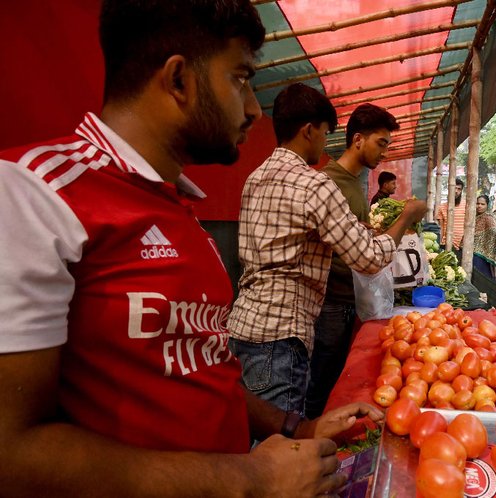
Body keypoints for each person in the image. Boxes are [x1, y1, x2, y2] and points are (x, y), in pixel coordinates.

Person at [0, 3, 387, 497]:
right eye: (240, 78)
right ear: (179, 79)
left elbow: (202, 366)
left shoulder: (178, 205)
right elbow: (11, 455)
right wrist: (254, 477)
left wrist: (295, 427)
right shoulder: (35, 194)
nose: (252, 108)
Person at [228, 86, 426, 417]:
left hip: (243, 326)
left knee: (254, 434)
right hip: (281, 335)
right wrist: (406, 216)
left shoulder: (255, 178)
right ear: (308, 130)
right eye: (323, 133)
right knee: (280, 448)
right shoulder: (315, 184)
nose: (324, 144)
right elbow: (369, 260)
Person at [306, 103, 399, 418]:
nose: (383, 153)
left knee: (337, 382)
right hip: (330, 301)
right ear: (358, 139)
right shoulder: (329, 181)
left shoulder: (356, 183)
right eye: (381, 143)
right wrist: (407, 217)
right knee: (320, 386)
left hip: (350, 298)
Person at [472, 194, 496, 281]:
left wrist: (488, 245)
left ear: (487, 205)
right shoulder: (473, 217)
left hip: (484, 256)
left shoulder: (488, 218)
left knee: (483, 277)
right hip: (473, 253)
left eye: (482, 204)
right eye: (477, 203)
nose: (479, 206)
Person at [436, 177, 466, 253]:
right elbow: (441, 228)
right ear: (449, 189)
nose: (456, 191)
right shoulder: (442, 207)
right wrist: (440, 244)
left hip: (462, 245)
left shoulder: (466, 205)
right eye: (454, 188)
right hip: (446, 244)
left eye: (459, 189)